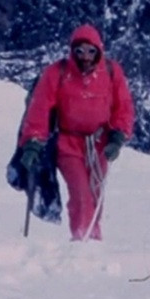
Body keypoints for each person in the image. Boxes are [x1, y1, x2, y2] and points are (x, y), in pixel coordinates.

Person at [17, 25, 135, 241]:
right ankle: (81, 239)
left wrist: (118, 137)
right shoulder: (57, 73)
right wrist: (33, 141)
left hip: (100, 143)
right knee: (80, 193)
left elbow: (123, 106)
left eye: (91, 51)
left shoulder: (111, 72)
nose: (85, 57)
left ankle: (93, 238)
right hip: (68, 143)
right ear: (72, 51)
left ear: (98, 51)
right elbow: (39, 108)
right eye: (80, 51)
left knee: (96, 194)